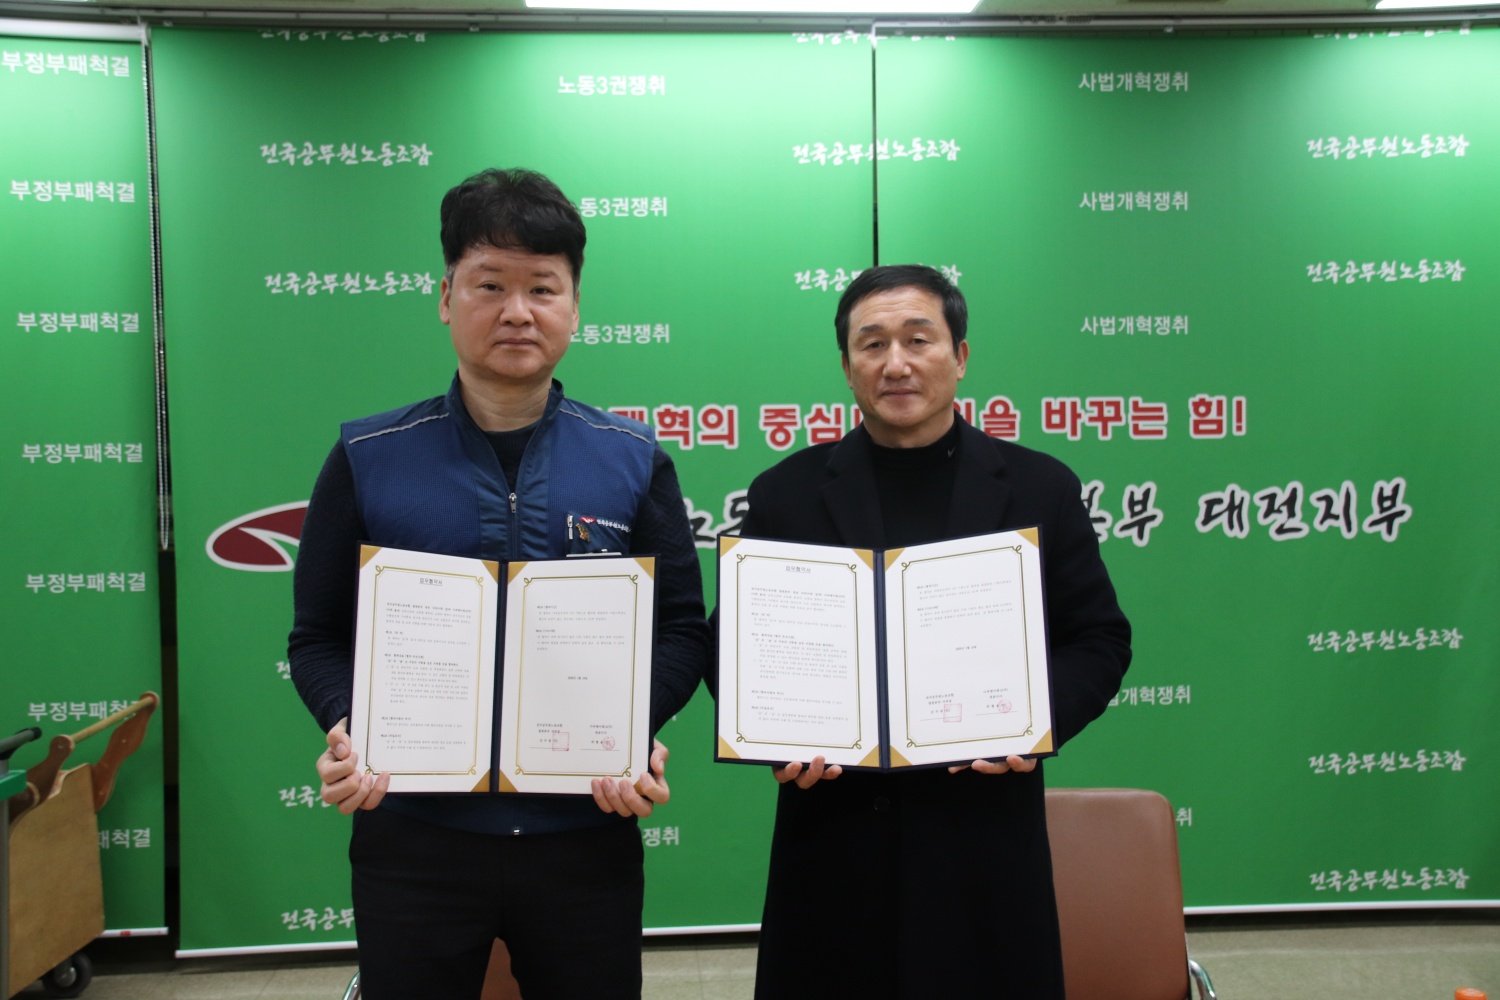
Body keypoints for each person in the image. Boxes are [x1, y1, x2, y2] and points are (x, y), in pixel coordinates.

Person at [287, 167, 711, 999]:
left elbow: (681, 630)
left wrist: (632, 727)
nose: (518, 311)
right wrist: (347, 726)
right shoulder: (369, 457)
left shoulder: (632, 460)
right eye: (490, 285)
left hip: (583, 830)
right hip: (414, 836)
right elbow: (318, 635)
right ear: (445, 297)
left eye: (542, 288)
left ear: (575, 307)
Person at [737, 264, 1132, 998]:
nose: (896, 363)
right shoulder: (786, 494)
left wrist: (1032, 723)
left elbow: (1098, 639)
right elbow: (736, 645)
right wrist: (775, 736)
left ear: (961, 355)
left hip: (980, 833)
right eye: (872, 344)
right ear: (847, 366)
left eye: (919, 339)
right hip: (834, 834)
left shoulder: (1040, 488)